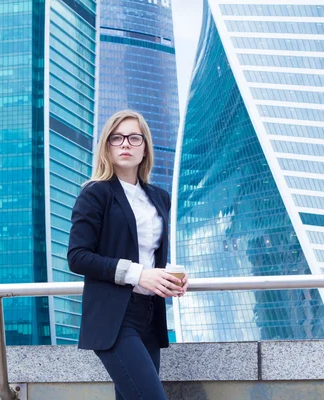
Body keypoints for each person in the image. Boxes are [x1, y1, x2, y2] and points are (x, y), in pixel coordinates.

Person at [67, 110, 189, 399]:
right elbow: (78, 256)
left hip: (149, 316)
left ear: (145, 147)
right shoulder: (95, 193)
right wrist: (138, 274)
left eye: (134, 138)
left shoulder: (159, 197)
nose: (125, 144)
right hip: (115, 319)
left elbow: (148, 253)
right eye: (117, 138)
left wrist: (172, 276)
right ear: (107, 146)